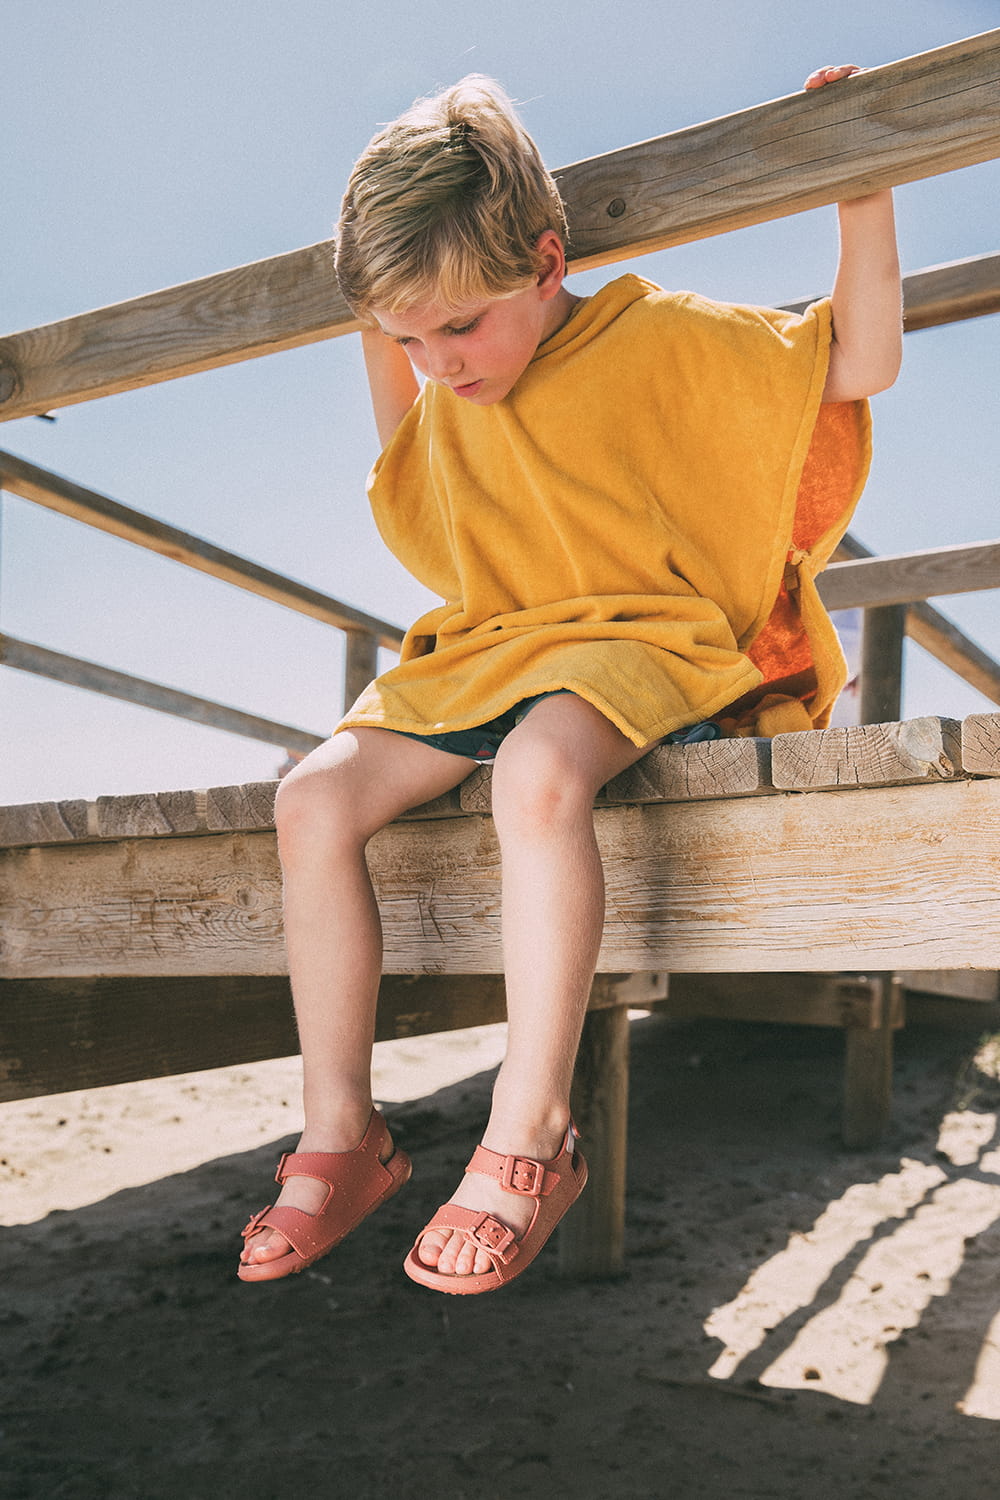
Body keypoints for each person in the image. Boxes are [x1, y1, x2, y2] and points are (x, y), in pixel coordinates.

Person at [238, 65, 902, 1292]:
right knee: (311, 799)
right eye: (403, 337)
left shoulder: (653, 337)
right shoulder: (435, 372)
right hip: (495, 640)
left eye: (460, 326)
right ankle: (344, 1128)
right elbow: (404, 440)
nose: (437, 364)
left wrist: (861, 187)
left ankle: (531, 1122)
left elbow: (854, 362)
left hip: (637, 637)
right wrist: (384, 311)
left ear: (546, 264)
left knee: (538, 775)